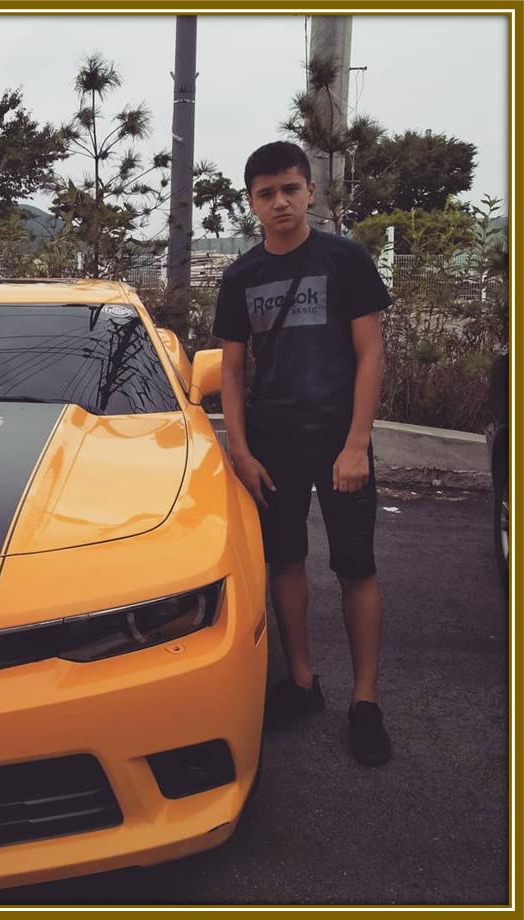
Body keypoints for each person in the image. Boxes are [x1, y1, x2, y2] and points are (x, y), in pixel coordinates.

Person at [213, 141, 392, 766]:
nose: (281, 202)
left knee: (355, 566)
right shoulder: (241, 276)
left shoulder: (345, 259)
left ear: (309, 191)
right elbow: (232, 371)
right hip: (272, 445)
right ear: (252, 204)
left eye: (290, 188)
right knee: (285, 562)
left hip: (340, 442)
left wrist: (357, 444)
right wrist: (240, 448)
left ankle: (365, 701)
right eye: (267, 194)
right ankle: (303, 682)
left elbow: (370, 353)